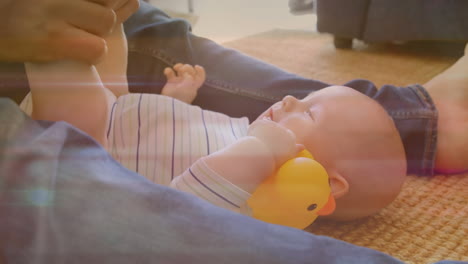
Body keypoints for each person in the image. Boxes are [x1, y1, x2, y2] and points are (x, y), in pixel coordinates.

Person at [22, 17, 408, 222]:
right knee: (111, 30)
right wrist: (175, 104)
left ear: (331, 184)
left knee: (69, 49)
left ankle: (46, 36)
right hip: (115, 113)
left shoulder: (257, 200)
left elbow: (187, 206)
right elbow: (181, 137)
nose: (290, 99)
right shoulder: (254, 137)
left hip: (83, 153)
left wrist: (259, 150)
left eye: (310, 110)